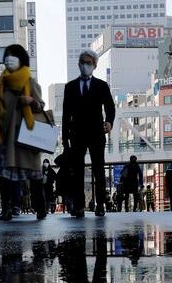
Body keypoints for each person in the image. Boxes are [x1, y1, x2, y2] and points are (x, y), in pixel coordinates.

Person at [0, 44, 46, 221]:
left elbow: (41, 106)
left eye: (13, 55)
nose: (8, 59)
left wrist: (31, 101)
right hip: (5, 136)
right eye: (7, 55)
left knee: (34, 175)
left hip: (26, 136)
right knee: (5, 175)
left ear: (21, 59)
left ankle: (40, 208)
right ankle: (7, 209)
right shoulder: (1, 82)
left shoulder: (29, 81)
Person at [62, 49, 116, 217]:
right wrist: (65, 139)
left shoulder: (101, 86)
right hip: (76, 134)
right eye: (83, 62)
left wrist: (109, 121)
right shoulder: (70, 87)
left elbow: (110, 107)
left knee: (99, 170)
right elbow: (65, 114)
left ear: (94, 65)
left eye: (89, 63)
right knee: (77, 171)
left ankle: (100, 204)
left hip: (96, 133)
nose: (85, 66)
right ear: (78, 64)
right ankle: (79, 206)